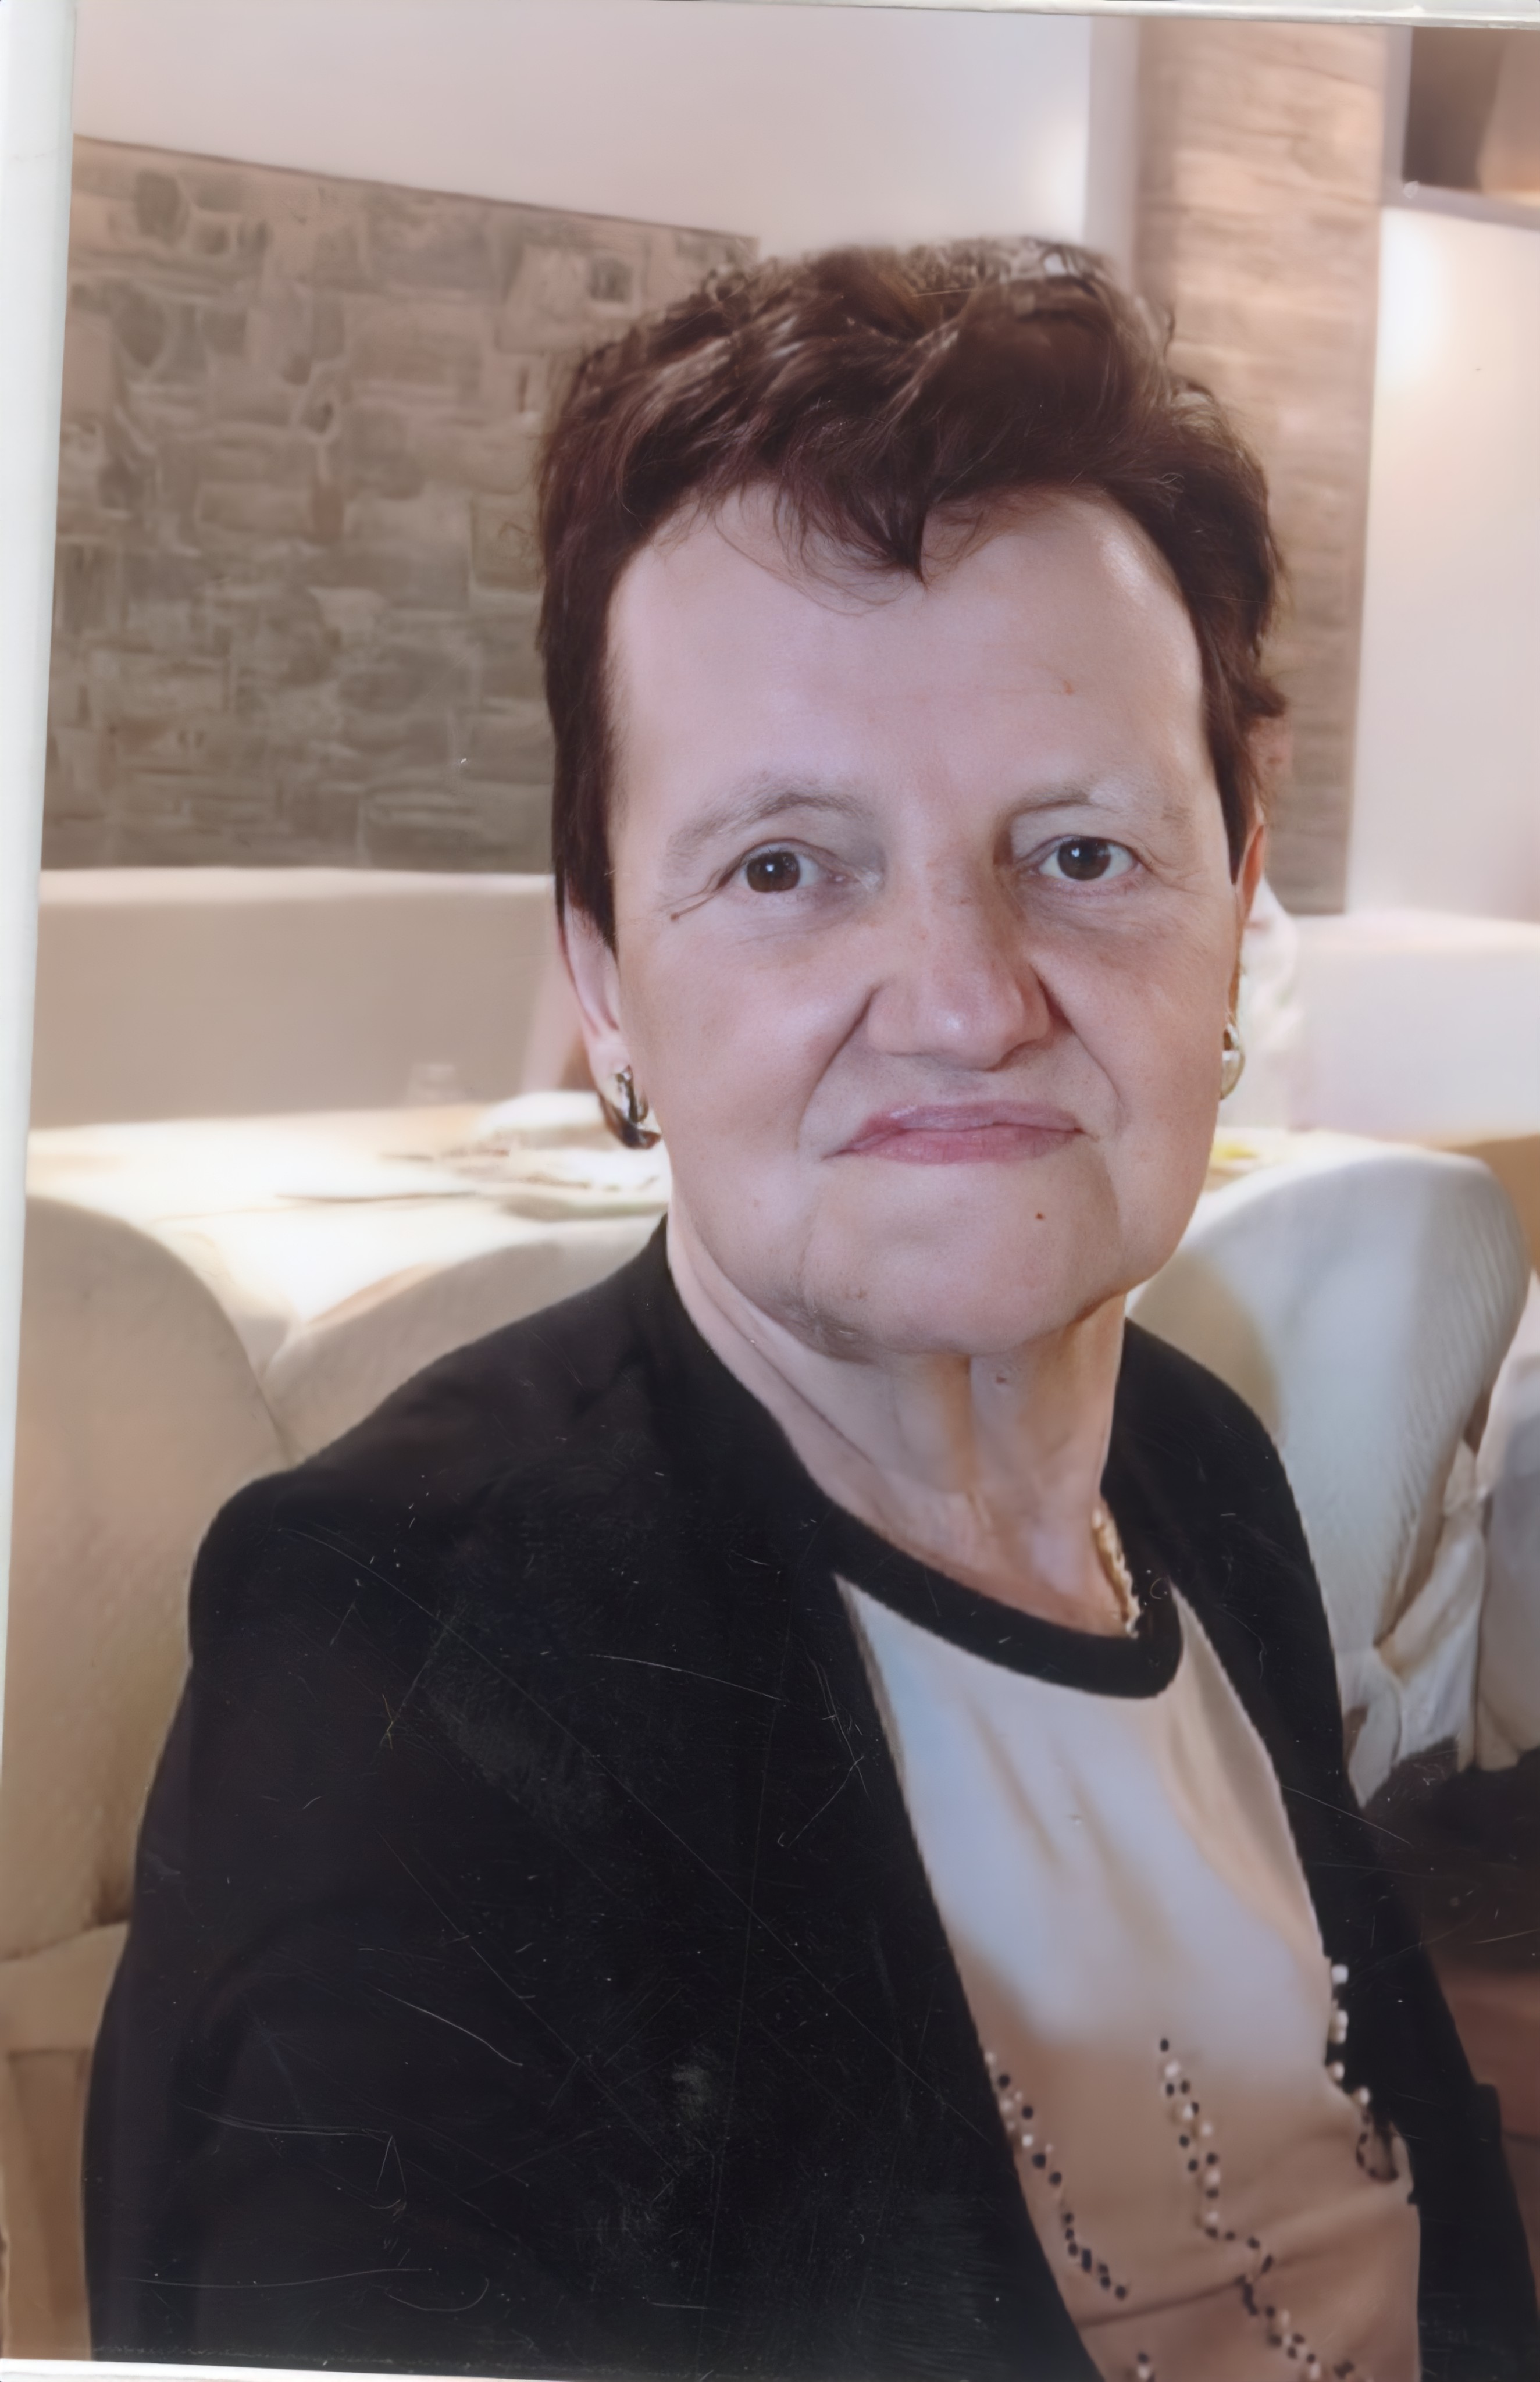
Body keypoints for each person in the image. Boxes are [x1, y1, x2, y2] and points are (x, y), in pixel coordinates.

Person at [85, 241, 1535, 2382]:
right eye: (784, 866)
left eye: (1082, 853)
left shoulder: (1202, 1477)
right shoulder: (407, 1661)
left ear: (1236, 903)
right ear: (603, 976)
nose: (963, 998)